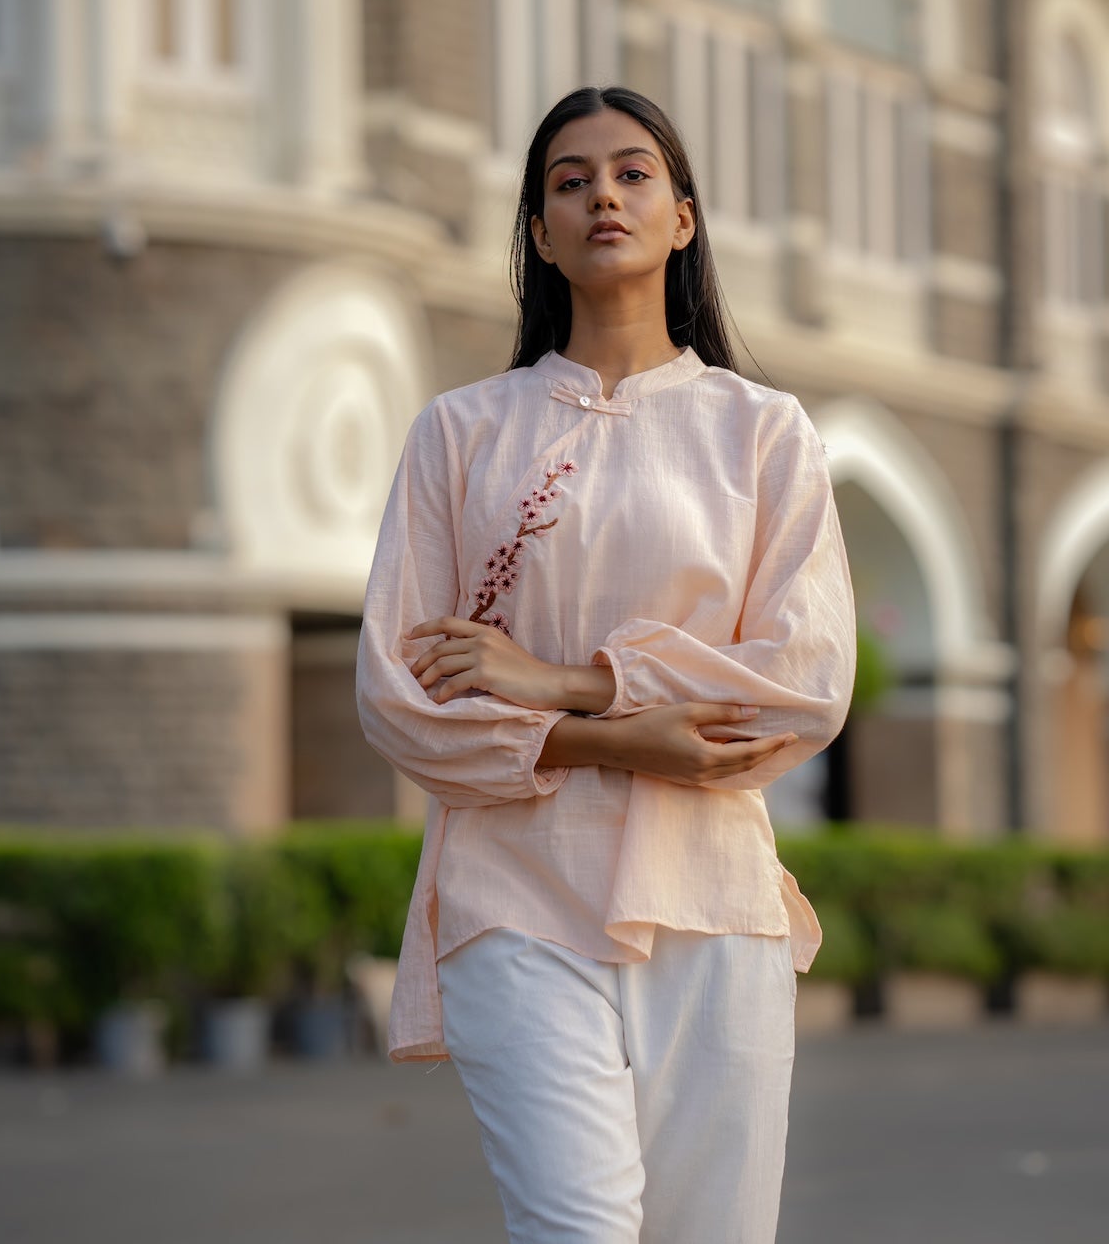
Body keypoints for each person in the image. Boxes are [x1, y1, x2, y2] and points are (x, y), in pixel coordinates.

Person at [356, 86, 856, 1243]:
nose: (601, 197)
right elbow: (398, 700)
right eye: (569, 182)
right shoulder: (460, 433)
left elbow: (802, 681)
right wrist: (616, 740)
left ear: (682, 215)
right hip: (513, 892)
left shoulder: (761, 431)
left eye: (631, 174)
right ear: (539, 232)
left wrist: (566, 680)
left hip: (711, 904)